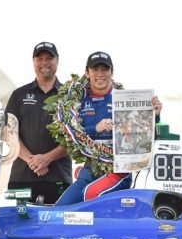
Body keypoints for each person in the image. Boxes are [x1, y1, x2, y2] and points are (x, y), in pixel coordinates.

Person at [55, 51, 162, 205]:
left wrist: (155, 115)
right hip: (90, 169)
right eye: (95, 69)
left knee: (90, 194)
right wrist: (95, 128)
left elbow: (144, 135)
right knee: (59, 208)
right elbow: (71, 134)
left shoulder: (126, 99)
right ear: (87, 72)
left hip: (118, 171)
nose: (100, 74)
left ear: (112, 72)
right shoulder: (79, 98)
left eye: (105, 69)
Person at [5, 42, 72, 204]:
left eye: (49, 58)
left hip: (59, 178)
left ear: (57, 61)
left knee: (57, 226)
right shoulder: (19, 95)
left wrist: (47, 158)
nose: (44, 63)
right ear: (33, 61)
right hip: (22, 177)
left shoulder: (70, 97)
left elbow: (76, 137)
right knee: (17, 224)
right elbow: (7, 132)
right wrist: (32, 161)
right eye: (39, 58)